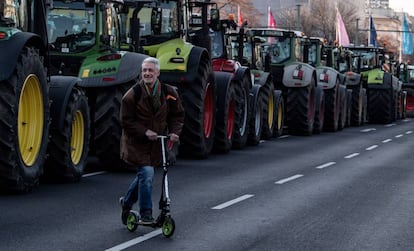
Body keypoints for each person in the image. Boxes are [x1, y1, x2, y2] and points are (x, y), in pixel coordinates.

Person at [119, 57, 185, 224]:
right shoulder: (132, 95)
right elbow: (125, 121)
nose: (147, 73)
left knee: (144, 175)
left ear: (158, 73)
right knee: (147, 173)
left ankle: (126, 202)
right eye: (144, 71)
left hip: (157, 143)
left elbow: (177, 115)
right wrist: (144, 131)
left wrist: (175, 132)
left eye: (150, 70)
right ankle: (146, 213)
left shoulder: (169, 92)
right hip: (136, 143)